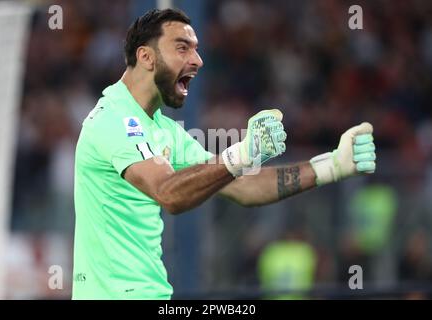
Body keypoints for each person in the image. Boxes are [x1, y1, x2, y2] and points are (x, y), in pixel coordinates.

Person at [72, 8, 377, 299]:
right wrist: (243, 153)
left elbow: (245, 186)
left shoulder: (163, 128)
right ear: (146, 56)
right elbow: (169, 193)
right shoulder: (113, 119)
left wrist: (333, 165)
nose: (198, 60)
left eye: (196, 49)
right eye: (182, 48)